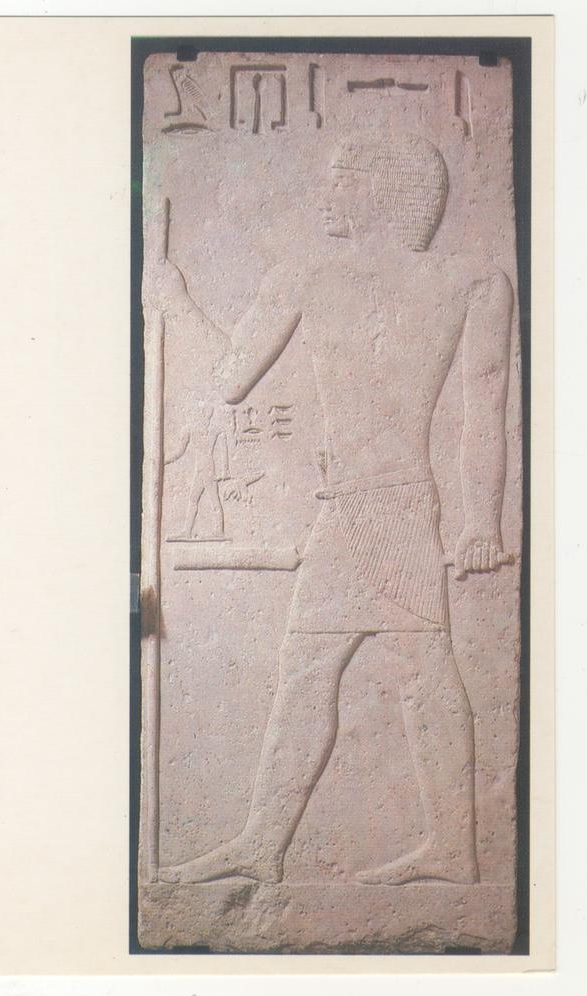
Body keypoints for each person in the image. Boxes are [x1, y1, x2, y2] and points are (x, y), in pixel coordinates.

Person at [148, 132, 514, 886]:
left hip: (371, 507)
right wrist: (477, 519)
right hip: (392, 500)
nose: (326, 193)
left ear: (383, 190)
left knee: (360, 666)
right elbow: (481, 411)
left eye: (342, 177)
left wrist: (175, 303)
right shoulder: (475, 280)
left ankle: (300, 846)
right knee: (397, 665)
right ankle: (299, 844)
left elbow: (227, 378)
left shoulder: (313, 275)